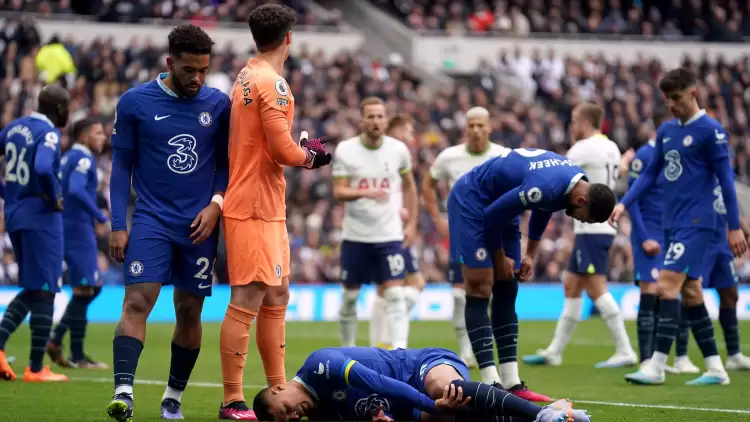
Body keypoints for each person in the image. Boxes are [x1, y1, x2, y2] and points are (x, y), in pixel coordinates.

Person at [106, 24, 230, 421]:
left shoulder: (219, 105)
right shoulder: (134, 102)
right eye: (189, 70)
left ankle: (172, 397)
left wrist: (216, 205)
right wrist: (117, 223)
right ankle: (123, 393)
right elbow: (120, 165)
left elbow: (228, 165)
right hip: (152, 220)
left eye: (203, 71)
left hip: (200, 226)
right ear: (169, 62)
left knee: (190, 312)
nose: (197, 78)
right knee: (137, 301)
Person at [219, 4, 331, 420]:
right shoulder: (275, 83)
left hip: (266, 204)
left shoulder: (247, 76)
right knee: (247, 298)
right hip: (253, 205)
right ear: (288, 38)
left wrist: (299, 152)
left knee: (276, 295)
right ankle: (232, 399)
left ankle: (277, 387)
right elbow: (284, 151)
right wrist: (314, 156)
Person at [610, 67, 747, 386]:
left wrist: (734, 225)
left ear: (693, 93)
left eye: (676, 97)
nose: (671, 104)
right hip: (673, 224)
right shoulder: (668, 131)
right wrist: (623, 202)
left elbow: (726, 180)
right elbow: (648, 175)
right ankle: (715, 368)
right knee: (690, 292)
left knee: (666, 286)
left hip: (698, 222)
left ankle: (656, 366)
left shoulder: (710, 131)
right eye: (667, 99)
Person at [450, 147, 616, 402]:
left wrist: (530, 253)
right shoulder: (546, 187)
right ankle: (490, 383)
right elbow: (491, 215)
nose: (579, 220)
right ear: (582, 201)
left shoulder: (575, 182)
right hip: (474, 202)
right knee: (481, 288)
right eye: (585, 218)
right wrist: (498, 256)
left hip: (505, 205)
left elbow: (544, 209)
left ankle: (512, 383)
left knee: (508, 287)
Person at [523, 103, 637, 369]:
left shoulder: (583, 148)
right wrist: (624, 163)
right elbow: (617, 173)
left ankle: (625, 350)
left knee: (596, 288)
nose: (571, 127)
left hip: (592, 229)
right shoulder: (610, 146)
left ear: (584, 122)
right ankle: (554, 351)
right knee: (572, 286)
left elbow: (556, 172)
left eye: (574, 121)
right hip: (600, 227)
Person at [251, 346, 590, 422]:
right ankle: (560, 413)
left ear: (278, 389)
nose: (295, 416)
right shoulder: (322, 416)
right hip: (409, 408)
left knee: (446, 392)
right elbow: (378, 409)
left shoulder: (319, 365)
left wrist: (431, 404)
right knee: (453, 416)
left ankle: (540, 414)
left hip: (418, 367)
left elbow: (378, 382)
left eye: (286, 411)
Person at [422, 106, 507, 366]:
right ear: (465, 128)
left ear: (490, 127)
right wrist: (438, 219)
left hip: (497, 233)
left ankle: (497, 349)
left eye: (481, 125)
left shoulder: (503, 156)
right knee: (461, 295)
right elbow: (428, 183)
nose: (476, 130)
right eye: (471, 125)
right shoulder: (450, 157)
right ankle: (466, 351)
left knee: (496, 294)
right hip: (463, 234)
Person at [333, 97, 418, 351]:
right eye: (370, 116)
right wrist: (365, 193)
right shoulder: (345, 150)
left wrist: (412, 223)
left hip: (389, 235)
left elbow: (410, 186)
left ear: (386, 120)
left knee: (395, 295)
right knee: (349, 298)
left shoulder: (398, 150)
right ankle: (347, 351)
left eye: (380, 116)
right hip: (356, 236)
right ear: (362, 121)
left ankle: (400, 351)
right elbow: (338, 191)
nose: (376, 121)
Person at [619, 108, 699, 374]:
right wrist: (643, 238)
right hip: (650, 234)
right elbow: (633, 200)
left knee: (680, 290)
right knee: (651, 292)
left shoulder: (678, 155)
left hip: (676, 233)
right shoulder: (644, 156)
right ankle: (646, 359)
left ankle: (679, 358)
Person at [0, 85, 70, 382]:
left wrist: (7, 192)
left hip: (15, 214)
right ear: (60, 110)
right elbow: (43, 167)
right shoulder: (49, 133)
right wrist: (54, 196)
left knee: (33, 287)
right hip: (41, 217)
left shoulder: (13, 127)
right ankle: (36, 368)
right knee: (45, 288)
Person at [47, 117, 109, 369]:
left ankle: (71, 350)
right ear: (83, 137)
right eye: (97, 133)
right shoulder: (83, 158)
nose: (103, 138)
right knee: (90, 288)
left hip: (67, 227)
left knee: (86, 289)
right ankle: (62, 342)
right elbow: (75, 190)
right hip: (78, 230)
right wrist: (99, 215)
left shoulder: (68, 157)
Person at [369, 114, 424, 350]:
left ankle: (382, 344)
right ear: (398, 130)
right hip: (383, 230)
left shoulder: (397, 158)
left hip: (391, 227)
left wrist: (409, 220)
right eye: (408, 131)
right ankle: (387, 342)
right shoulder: (384, 156)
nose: (411, 138)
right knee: (412, 283)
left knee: (386, 288)